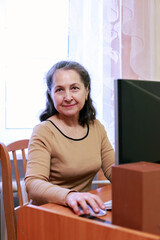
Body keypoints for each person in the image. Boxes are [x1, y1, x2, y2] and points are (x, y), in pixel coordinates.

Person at [25, 60, 115, 215]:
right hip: (48, 213)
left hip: (83, 211)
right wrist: (70, 196)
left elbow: (114, 169)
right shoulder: (43, 131)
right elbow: (33, 185)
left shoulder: (96, 127)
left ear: (86, 91)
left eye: (74, 88)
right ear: (51, 94)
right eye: (59, 90)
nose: (67, 97)